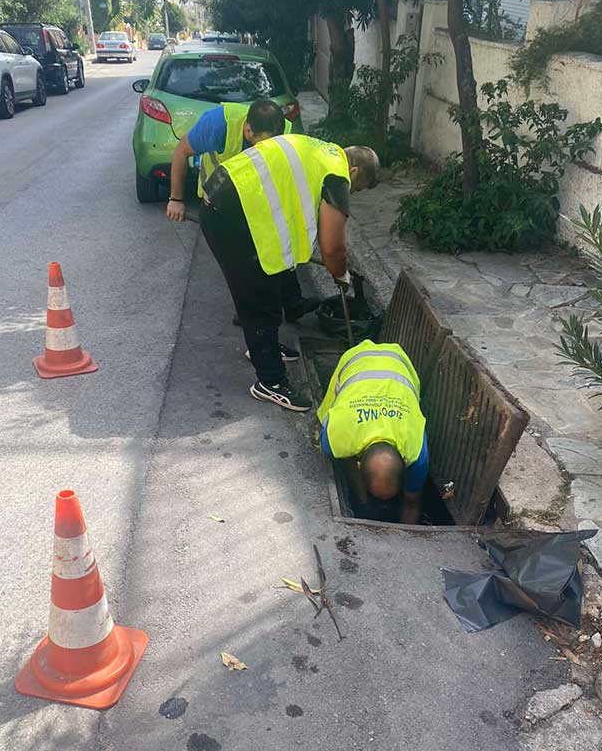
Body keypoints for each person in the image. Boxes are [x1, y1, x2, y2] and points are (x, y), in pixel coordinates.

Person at [200, 134, 380, 412]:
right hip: (228, 215)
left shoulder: (324, 152)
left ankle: (265, 347)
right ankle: (270, 381)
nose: (352, 193)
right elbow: (332, 248)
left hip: (229, 197)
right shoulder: (337, 175)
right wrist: (341, 274)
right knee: (258, 299)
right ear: (354, 171)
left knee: (270, 285)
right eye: (357, 188)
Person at [165, 99, 320, 329]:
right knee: (240, 263)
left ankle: (293, 302)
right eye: (259, 144)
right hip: (219, 203)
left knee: (279, 246)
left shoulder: (285, 130)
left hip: (255, 197)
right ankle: (249, 314)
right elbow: (181, 152)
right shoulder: (218, 124)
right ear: (248, 130)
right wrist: (176, 199)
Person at [317, 340, 429, 523]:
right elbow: (346, 459)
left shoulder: (417, 455)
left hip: (399, 362)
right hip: (354, 359)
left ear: (406, 465)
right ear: (359, 465)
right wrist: (363, 504)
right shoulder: (335, 438)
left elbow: (412, 502)